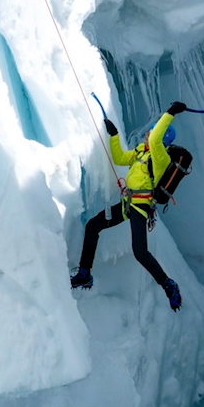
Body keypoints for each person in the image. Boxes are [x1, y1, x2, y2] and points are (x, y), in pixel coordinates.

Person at [70, 101, 187, 311]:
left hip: (140, 207)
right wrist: (114, 136)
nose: (147, 136)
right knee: (93, 226)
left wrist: (169, 113)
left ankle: (169, 285)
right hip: (128, 205)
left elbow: (158, 135)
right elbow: (120, 158)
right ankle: (84, 275)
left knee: (140, 252)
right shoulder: (141, 153)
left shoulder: (161, 157)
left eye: (150, 134)